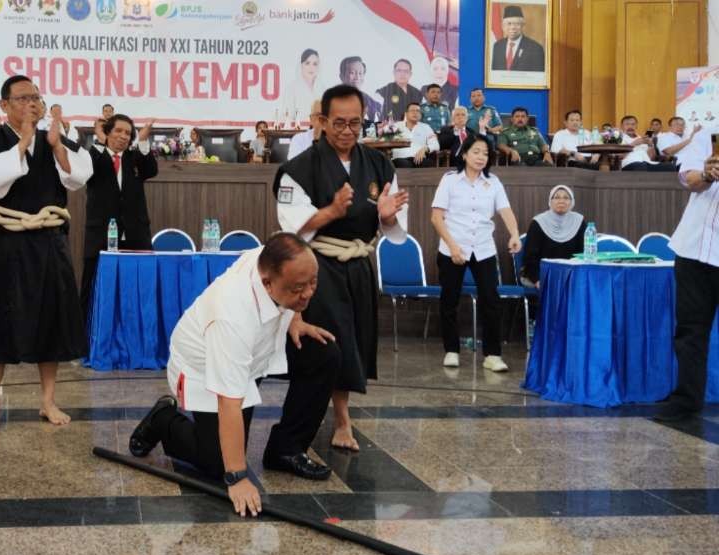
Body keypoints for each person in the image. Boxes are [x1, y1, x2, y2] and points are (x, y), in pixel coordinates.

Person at [127, 234, 341, 513]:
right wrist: (237, 477)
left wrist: (295, 318)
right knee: (217, 463)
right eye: (299, 288)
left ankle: (286, 449)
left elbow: (296, 278)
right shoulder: (231, 316)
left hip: (255, 349)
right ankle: (162, 419)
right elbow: (229, 402)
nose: (309, 293)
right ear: (267, 282)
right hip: (201, 365)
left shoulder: (274, 258)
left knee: (324, 355)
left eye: (313, 282)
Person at [275, 84, 410, 453]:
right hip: (316, 269)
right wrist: (331, 212)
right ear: (322, 121)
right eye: (339, 123)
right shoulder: (298, 169)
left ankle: (336, 414)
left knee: (354, 344)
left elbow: (396, 230)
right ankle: (336, 419)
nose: (348, 131)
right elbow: (290, 226)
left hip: (359, 264)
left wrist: (387, 218)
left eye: (356, 123)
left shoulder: (380, 164)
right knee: (328, 343)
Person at [0, 74, 92, 429]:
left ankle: (48, 401)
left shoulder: (55, 139)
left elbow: (79, 177)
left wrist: (57, 145)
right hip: (4, 243)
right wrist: (25, 142)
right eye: (22, 98)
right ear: (3, 105)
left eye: (36, 98)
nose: (31, 104)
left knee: (51, 325)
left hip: (48, 243)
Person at [431, 135, 521, 372]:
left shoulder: (493, 182)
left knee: (491, 301)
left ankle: (492, 354)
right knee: (449, 300)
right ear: (464, 154)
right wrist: (452, 246)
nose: (481, 157)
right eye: (476, 152)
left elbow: (506, 210)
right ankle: (451, 350)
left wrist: (514, 233)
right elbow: (436, 217)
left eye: (485, 153)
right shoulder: (449, 180)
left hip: (483, 247)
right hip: (452, 246)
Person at [655, 124, 719, 422]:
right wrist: (707, 174)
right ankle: (687, 400)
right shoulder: (709, 134)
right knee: (691, 330)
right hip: (694, 250)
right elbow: (689, 178)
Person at [81, 114, 158, 327]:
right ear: (107, 133)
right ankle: (88, 337)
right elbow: (87, 172)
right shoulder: (94, 156)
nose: (123, 136)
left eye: (127, 133)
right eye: (118, 131)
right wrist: (99, 141)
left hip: (135, 233)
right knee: (95, 286)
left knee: (138, 285)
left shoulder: (135, 158)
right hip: (101, 234)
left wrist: (142, 139)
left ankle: (138, 335)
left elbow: (151, 170)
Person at [520, 185, 585, 288]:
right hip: (542, 274)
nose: (561, 201)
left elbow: (584, 253)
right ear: (550, 201)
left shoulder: (579, 221)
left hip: (571, 275)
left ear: (572, 202)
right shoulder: (538, 222)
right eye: (557, 197)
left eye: (566, 197)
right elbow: (530, 257)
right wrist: (537, 279)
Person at [490, 6, 544, 72]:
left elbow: (538, 78)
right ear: (503, 26)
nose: (513, 27)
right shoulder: (497, 46)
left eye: (517, 24)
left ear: (522, 26)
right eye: (509, 24)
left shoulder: (535, 48)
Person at [282, 49, 324, 123]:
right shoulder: (292, 88)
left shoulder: (323, 88)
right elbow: (287, 117)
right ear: (301, 65)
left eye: (315, 64)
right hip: (299, 131)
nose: (311, 67)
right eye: (307, 63)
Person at [392, 102, 439, 168]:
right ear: (406, 114)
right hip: (400, 158)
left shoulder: (426, 127)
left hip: (419, 158)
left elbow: (436, 145)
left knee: (428, 163)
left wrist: (425, 149)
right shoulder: (395, 126)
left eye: (418, 111)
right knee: (404, 165)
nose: (415, 113)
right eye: (412, 111)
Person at [338, 56, 382, 122]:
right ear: (341, 76)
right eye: (352, 73)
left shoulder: (371, 103)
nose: (357, 77)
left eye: (360, 73)